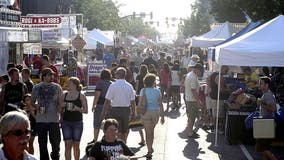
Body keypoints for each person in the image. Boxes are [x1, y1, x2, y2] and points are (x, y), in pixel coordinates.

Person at [31, 68, 63, 160]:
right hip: (41, 119)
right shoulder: (36, 87)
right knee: (42, 144)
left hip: (54, 119)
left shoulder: (57, 87)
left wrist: (61, 116)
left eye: (52, 75)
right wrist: (36, 106)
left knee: (56, 143)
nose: (52, 77)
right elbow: (32, 102)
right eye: (49, 75)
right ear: (44, 76)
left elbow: (61, 103)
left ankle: (55, 157)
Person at [101, 67, 136, 142]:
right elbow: (133, 102)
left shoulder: (113, 86)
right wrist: (134, 113)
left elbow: (107, 101)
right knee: (126, 128)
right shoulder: (129, 86)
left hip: (115, 110)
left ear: (118, 75)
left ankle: (120, 143)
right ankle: (124, 142)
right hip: (126, 110)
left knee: (118, 129)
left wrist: (103, 113)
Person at [59, 77, 88, 160]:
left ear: (75, 85)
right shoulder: (64, 95)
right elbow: (59, 107)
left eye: (69, 83)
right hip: (66, 122)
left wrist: (77, 108)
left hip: (77, 123)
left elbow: (86, 111)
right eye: (68, 83)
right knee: (67, 145)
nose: (67, 84)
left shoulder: (81, 96)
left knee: (76, 145)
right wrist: (62, 105)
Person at [138, 73, 165, 158]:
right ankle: (150, 147)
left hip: (146, 112)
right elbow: (160, 104)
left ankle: (149, 150)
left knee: (148, 132)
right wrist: (163, 116)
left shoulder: (143, 90)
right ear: (153, 82)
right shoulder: (157, 91)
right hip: (155, 113)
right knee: (151, 131)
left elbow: (140, 103)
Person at [255, 76, 277, 160]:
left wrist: (261, 103)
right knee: (264, 148)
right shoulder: (266, 94)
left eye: (261, 84)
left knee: (262, 148)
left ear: (267, 85)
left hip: (267, 123)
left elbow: (273, 109)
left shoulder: (268, 95)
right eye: (259, 83)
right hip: (266, 123)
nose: (259, 85)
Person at [184, 63, 205, 138]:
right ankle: (190, 132)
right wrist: (198, 101)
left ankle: (191, 131)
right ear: (196, 70)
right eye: (200, 72)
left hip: (189, 99)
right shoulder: (192, 77)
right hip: (192, 100)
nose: (200, 73)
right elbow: (193, 90)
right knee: (192, 117)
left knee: (191, 117)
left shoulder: (191, 74)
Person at [91, 69, 112, 143]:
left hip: (100, 104)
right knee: (109, 123)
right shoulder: (111, 83)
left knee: (97, 123)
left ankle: (95, 139)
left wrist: (93, 105)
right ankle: (109, 139)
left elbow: (97, 96)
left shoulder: (100, 83)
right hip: (109, 105)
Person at [208, 65, 230, 133]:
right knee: (218, 114)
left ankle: (215, 128)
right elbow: (221, 90)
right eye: (226, 71)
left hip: (213, 96)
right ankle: (216, 129)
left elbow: (208, 80)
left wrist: (210, 88)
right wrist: (228, 89)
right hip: (218, 98)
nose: (227, 72)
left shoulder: (213, 74)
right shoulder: (219, 76)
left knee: (215, 113)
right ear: (222, 69)